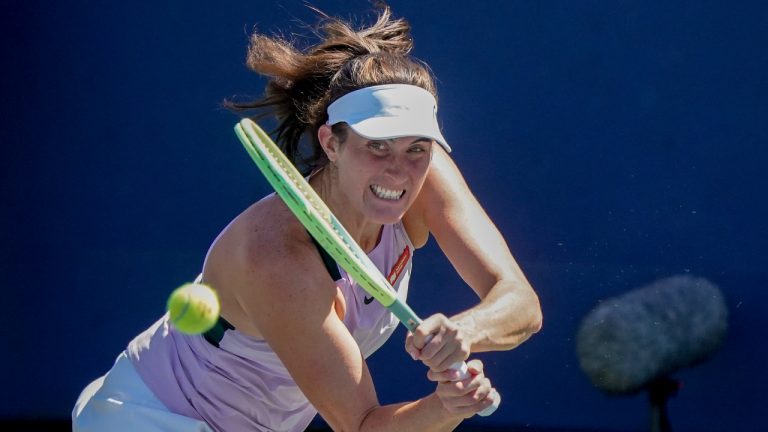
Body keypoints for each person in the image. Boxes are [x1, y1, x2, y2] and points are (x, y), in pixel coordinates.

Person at [72, 5, 542, 432]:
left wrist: (465, 333)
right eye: (376, 146)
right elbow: (360, 426)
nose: (398, 168)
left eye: (415, 147)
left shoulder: (424, 172)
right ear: (331, 143)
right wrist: (446, 406)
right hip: (152, 421)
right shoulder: (277, 258)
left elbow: (521, 304)